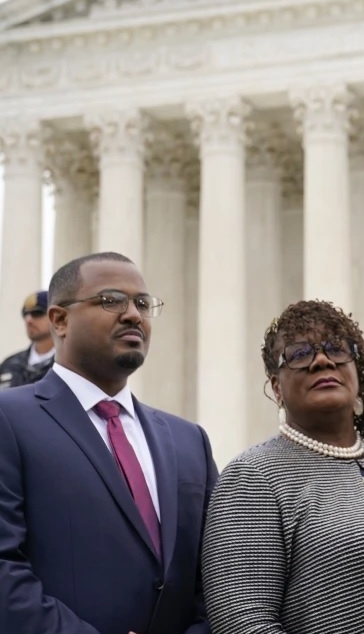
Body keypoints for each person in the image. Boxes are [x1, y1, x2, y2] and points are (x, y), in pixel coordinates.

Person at [0, 252, 217, 634]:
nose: (133, 314)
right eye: (111, 300)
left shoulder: (189, 441)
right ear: (60, 319)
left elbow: (215, 576)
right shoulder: (10, 419)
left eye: (143, 303)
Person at [202, 300, 364, 634]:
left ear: (356, 372)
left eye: (336, 348)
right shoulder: (253, 476)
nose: (322, 360)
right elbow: (243, 622)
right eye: (299, 354)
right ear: (277, 387)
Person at [0, 290, 56, 389]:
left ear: (55, 317)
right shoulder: (10, 364)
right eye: (25, 314)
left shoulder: (68, 364)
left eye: (37, 313)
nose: (28, 320)